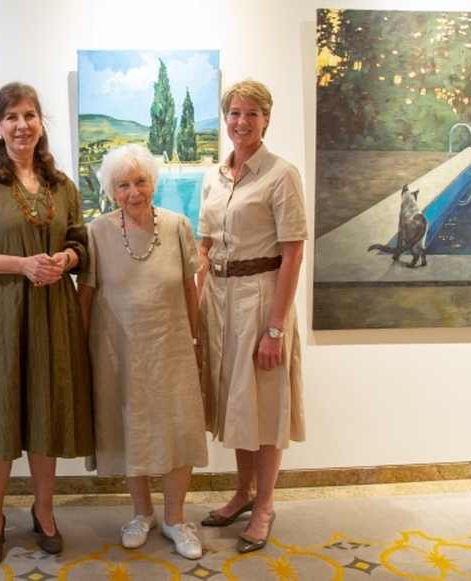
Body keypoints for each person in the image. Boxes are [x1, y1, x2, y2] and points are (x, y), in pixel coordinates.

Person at [0, 82, 93, 568]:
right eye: (11, 117)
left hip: (52, 315)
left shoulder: (62, 186)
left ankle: (44, 512)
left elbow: (80, 245)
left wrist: (65, 259)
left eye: (29, 115)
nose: (21, 125)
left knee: (45, 413)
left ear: (40, 123)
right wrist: (24, 265)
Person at [77, 144, 208, 560]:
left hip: (172, 346)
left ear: (153, 182)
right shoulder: (96, 232)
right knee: (130, 428)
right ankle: (142, 514)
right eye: (123, 185)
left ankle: (175, 519)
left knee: (178, 428)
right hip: (117, 349)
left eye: (140, 181)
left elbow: (190, 288)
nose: (133, 192)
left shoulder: (177, 226)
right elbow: (85, 295)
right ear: (111, 190)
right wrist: (80, 351)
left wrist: (196, 341)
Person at [197, 79, 307, 553]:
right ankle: (242, 492)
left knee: (263, 400)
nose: (241, 122)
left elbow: (294, 254)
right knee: (237, 402)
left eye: (252, 113)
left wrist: (275, 329)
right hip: (218, 299)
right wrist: (192, 311)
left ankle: (264, 504)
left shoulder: (282, 175)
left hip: (261, 299)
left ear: (266, 119)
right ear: (226, 118)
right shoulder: (214, 177)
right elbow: (203, 248)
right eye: (234, 113)